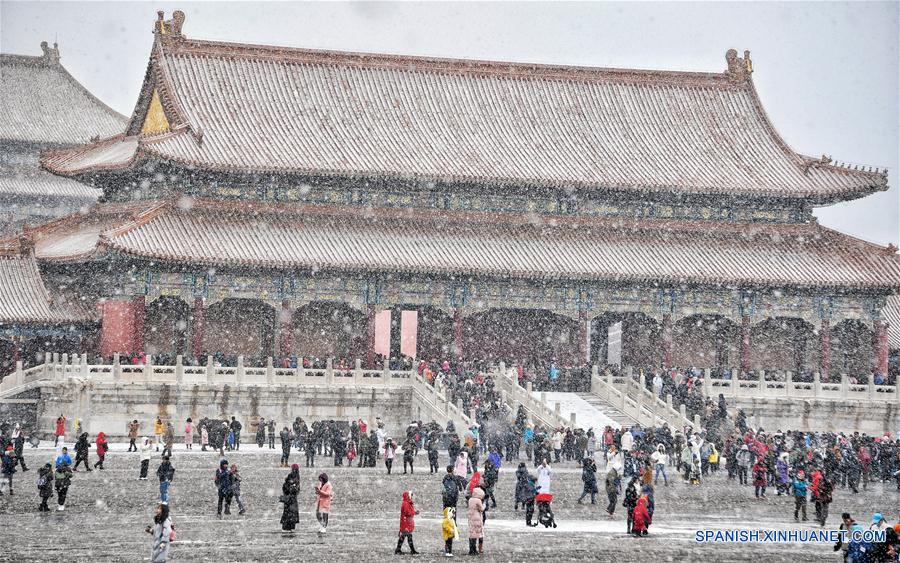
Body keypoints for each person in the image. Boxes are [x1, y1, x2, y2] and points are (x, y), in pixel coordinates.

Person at [396, 491, 419, 555]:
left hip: (407, 522)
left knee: (406, 536)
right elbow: (407, 513)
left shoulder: (407, 503)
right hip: (406, 522)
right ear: (408, 496)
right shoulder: (406, 503)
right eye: (411, 495)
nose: (412, 496)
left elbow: (409, 512)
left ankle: (399, 549)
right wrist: (414, 512)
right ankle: (400, 550)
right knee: (406, 536)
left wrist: (414, 512)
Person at [280, 464, 301, 533]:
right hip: (292, 498)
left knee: (288, 513)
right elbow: (296, 489)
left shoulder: (292, 476)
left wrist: (289, 486)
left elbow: (286, 487)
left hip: (290, 498)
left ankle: (287, 527)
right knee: (291, 513)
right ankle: (290, 526)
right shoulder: (296, 476)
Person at [467, 487, 485, 555]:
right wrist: (484, 505)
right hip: (477, 518)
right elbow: (482, 509)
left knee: (472, 534)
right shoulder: (478, 500)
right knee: (477, 534)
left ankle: (471, 549)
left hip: (471, 518)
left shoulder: (470, 499)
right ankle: (475, 550)